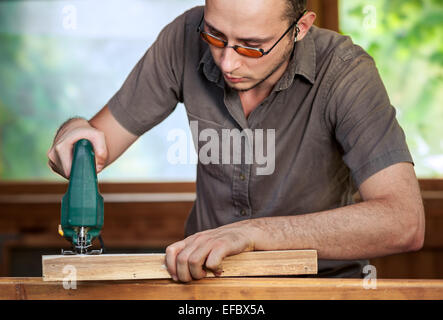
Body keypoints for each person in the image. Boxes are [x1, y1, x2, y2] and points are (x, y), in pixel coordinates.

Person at [47, 0, 425, 282]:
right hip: (205, 289)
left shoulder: (346, 72)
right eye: (214, 35)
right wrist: (74, 133)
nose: (227, 62)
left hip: (318, 288)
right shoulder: (182, 36)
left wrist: (254, 233)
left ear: (301, 28)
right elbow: (97, 141)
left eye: (250, 45)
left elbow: (403, 222)